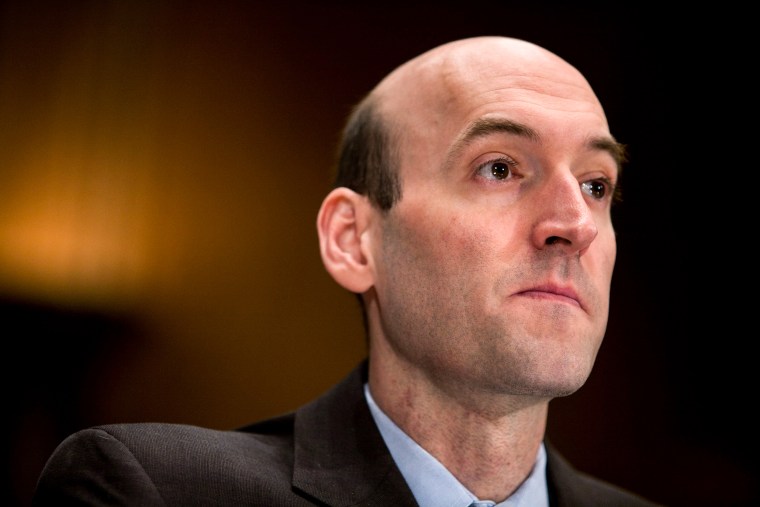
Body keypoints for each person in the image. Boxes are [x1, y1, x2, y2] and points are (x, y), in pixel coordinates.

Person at [32, 36, 661, 506]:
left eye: (595, 183)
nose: (574, 223)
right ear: (353, 240)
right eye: (499, 168)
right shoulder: (153, 490)